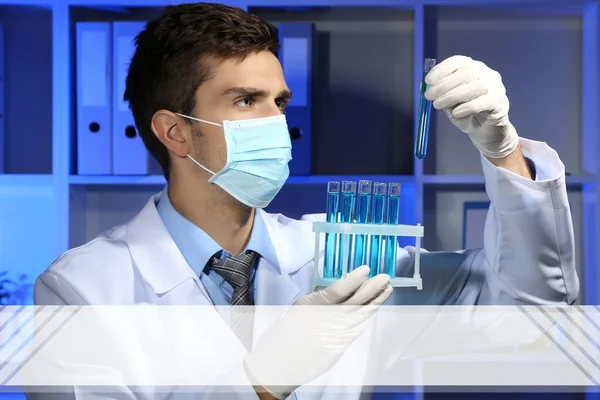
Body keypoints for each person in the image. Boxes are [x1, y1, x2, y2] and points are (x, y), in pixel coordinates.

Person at [31, 2, 579, 400]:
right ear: (175, 133)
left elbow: (531, 310)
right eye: (246, 100)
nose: (277, 122)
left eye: (280, 101)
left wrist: (503, 150)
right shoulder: (80, 288)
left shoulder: (345, 254)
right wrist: (261, 381)